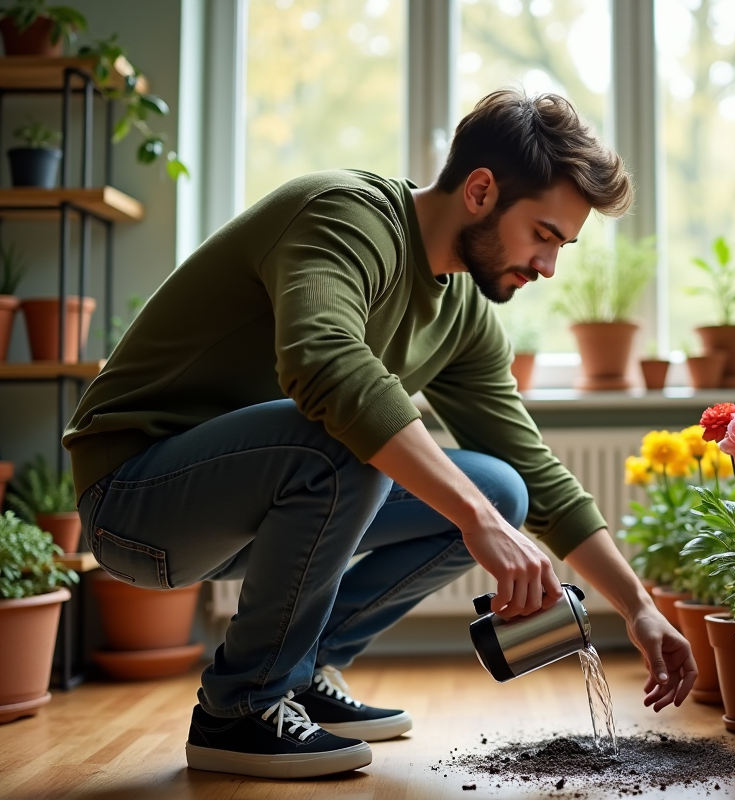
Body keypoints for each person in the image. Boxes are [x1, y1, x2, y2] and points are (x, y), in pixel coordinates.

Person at [64, 89, 697, 780]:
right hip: (136, 500)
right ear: (481, 190)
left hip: (242, 513)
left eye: (563, 246)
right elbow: (324, 364)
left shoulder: (463, 314)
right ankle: (239, 710)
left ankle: (300, 671)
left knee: (502, 488)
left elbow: (536, 472)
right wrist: (475, 521)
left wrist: (638, 608)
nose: (549, 267)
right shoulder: (343, 215)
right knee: (351, 442)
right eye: (544, 235)